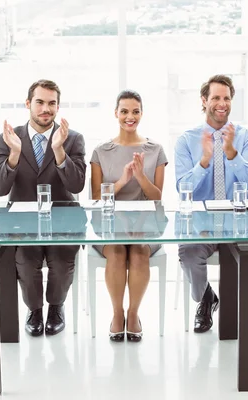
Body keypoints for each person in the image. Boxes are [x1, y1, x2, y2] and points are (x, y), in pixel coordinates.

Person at [0, 79, 86, 337]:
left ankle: (56, 307)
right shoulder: (9, 139)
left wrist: (59, 152)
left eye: (52, 103)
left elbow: (76, 186)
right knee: (26, 260)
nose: (46, 108)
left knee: (61, 260)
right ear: (28, 104)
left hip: (63, 223)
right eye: (40, 102)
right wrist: (13, 155)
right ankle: (34, 309)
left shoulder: (72, 139)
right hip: (23, 225)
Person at [175, 74, 248, 333]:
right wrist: (204, 161)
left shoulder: (244, 137)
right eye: (215, 97)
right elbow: (182, 188)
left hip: (239, 220)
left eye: (226, 98)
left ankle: (237, 300)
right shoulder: (186, 140)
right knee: (188, 253)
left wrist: (232, 155)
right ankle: (206, 298)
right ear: (204, 100)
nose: (221, 103)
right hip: (202, 222)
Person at [90, 90, 167, 342]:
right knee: (116, 251)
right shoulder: (101, 151)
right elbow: (96, 199)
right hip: (109, 224)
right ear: (116, 114)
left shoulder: (155, 150)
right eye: (124, 111)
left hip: (145, 225)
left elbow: (157, 198)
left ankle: (133, 314)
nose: (129, 116)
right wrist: (123, 180)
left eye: (135, 111)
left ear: (142, 114)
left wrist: (141, 176)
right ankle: (117, 314)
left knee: (139, 251)